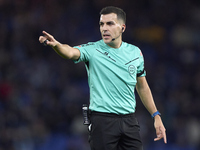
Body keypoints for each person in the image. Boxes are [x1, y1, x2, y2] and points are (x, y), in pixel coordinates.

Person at [39, 6, 167, 150]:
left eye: (110, 24)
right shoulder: (93, 50)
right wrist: (57, 45)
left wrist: (156, 116)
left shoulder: (135, 53)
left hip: (129, 121)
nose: (104, 28)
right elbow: (70, 52)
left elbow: (142, 86)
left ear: (122, 28)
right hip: (102, 121)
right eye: (101, 24)